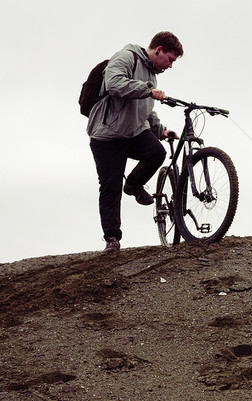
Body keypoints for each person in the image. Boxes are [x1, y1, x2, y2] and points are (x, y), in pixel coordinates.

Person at [87, 31, 183, 253]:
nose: (170, 66)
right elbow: (114, 84)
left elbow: (145, 110)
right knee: (110, 187)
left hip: (133, 133)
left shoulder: (152, 76)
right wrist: (148, 90)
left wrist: (161, 130)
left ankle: (132, 185)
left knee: (157, 153)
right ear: (158, 50)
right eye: (170, 59)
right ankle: (112, 238)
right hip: (107, 136)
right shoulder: (125, 57)